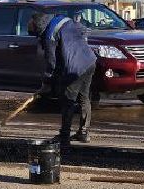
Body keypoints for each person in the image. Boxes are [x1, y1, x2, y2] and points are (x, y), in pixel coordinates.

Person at [31, 10, 97, 149]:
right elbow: (83, 31)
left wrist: (47, 82)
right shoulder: (64, 20)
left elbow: (51, 62)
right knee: (83, 97)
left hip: (75, 68)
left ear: (39, 27)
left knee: (68, 100)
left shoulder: (49, 35)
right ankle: (84, 133)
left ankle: (64, 136)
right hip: (90, 61)